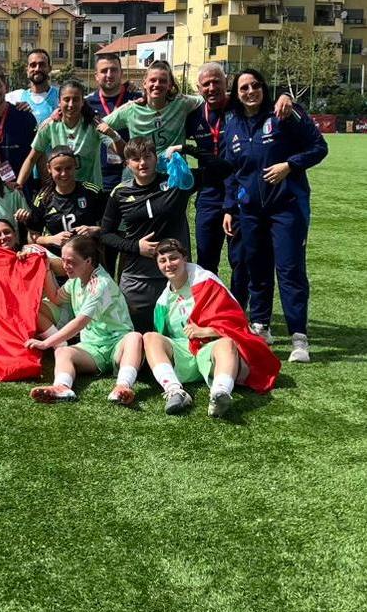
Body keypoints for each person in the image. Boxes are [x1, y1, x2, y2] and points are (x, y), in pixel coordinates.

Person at [222, 69, 328, 362]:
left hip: (287, 207)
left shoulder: (284, 113)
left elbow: (319, 147)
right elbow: (231, 172)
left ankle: (298, 337)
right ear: (237, 93)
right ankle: (262, 326)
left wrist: (290, 165)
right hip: (250, 212)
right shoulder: (233, 126)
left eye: (255, 85)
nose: (250, 91)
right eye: (244, 87)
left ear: (264, 88)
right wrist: (230, 207)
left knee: (290, 269)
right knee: (256, 267)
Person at [143, 239, 280, 417]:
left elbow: (237, 323)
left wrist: (207, 331)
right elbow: (163, 336)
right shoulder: (164, 299)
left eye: (173, 258)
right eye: (163, 261)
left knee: (227, 343)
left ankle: (220, 393)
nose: (169, 264)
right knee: (150, 337)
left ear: (184, 258)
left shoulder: (206, 283)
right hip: (184, 352)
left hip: (210, 351)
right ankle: (175, 391)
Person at [25, 235, 143, 407]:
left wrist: (45, 343)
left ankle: (123, 386)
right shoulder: (75, 281)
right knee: (62, 352)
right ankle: (61, 387)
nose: (65, 266)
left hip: (118, 345)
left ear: (88, 261)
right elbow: (56, 298)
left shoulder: (100, 283)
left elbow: (81, 321)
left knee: (135, 338)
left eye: (71, 262)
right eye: (63, 260)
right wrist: (46, 268)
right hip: (92, 348)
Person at [100, 137, 199, 333]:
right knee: (134, 335)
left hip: (173, 275)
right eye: (135, 159)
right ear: (127, 163)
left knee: (178, 334)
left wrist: (184, 147)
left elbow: (223, 169)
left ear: (156, 158)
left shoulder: (175, 184)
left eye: (147, 156)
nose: (142, 163)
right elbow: (106, 234)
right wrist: (136, 247)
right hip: (138, 277)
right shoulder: (120, 192)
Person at [183, 63, 249, 306]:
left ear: (226, 81)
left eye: (216, 82)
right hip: (209, 193)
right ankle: (211, 309)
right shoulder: (193, 117)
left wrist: (285, 95)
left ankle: (239, 309)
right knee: (206, 258)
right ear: (199, 88)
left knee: (240, 258)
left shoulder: (242, 108)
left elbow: (267, 101)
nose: (212, 88)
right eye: (206, 84)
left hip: (239, 192)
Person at [17, 80, 123, 189]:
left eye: (76, 100)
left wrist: (113, 135)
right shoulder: (50, 125)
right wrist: (18, 186)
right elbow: (31, 159)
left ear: (83, 102)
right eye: (66, 100)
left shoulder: (94, 124)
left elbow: (123, 153)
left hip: (91, 194)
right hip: (62, 195)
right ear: (59, 101)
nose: (71, 105)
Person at [27, 147, 105, 250]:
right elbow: (32, 236)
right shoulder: (43, 199)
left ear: (75, 166)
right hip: (57, 258)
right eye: (58, 169)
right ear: (49, 168)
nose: (64, 174)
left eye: (68, 168)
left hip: (88, 257)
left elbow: (110, 227)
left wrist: (94, 230)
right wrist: (51, 239)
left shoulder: (91, 192)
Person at [85, 54, 142, 192]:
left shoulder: (137, 100)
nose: (109, 75)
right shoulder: (86, 104)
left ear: (121, 73)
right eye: (104, 71)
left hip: (133, 173)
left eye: (114, 70)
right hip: (99, 176)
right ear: (96, 76)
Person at [5, 49, 60, 124]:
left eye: (42, 65)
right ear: (27, 70)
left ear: (49, 69)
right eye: (33, 65)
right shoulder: (16, 97)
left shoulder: (61, 97)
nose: (37, 69)